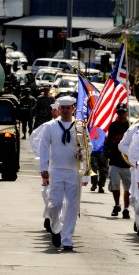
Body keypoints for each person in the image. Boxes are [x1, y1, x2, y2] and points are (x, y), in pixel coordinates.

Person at [38, 96, 91, 251]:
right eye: (63, 108)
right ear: (58, 109)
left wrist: (83, 160)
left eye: (69, 108)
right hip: (56, 170)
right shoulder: (50, 126)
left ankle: (67, 239)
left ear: (73, 109)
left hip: (73, 171)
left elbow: (89, 146)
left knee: (72, 206)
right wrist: (43, 168)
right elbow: (43, 148)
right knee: (54, 204)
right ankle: (56, 228)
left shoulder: (80, 126)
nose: (66, 110)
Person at [29, 102, 60, 232]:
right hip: (50, 165)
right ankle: (49, 216)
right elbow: (34, 139)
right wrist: (43, 157)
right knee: (48, 192)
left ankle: (54, 220)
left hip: (65, 166)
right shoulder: (48, 126)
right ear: (53, 112)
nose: (58, 112)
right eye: (57, 110)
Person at [106, 103, 131, 218]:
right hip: (115, 161)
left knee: (128, 188)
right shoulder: (113, 126)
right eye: (120, 112)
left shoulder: (131, 126)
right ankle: (117, 205)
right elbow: (113, 140)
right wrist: (125, 135)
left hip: (127, 163)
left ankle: (126, 208)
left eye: (124, 112)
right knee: (115, 186)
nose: (122, 114)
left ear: (127, 112)